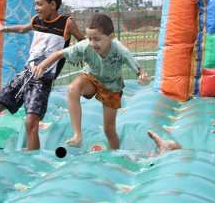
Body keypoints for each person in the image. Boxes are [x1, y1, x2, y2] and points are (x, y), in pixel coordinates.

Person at [32, 13, 150, 150]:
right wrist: (41, 66)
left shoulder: (120, 50)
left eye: (97, 39)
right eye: (90, 38)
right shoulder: (85, 46)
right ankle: (77, 135)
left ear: (111, 37)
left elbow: (139, 70)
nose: (93, 43)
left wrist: (143, 77)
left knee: (109, 130)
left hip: (111, 86)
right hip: (91, 78)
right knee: (73, 89)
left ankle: (115, 154)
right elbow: (59, 54)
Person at [0, 0, 85, 151]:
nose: (36, 8)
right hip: (26, 74)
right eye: (35, 4)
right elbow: (23, 28)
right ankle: (19, 107)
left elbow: (83, 41)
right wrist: (5, 28)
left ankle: (33, 159)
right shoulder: (37, 20)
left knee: (31, 123)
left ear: (53, 5)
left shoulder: (66, 23)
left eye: (40, 4)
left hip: (43, 80)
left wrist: (76, 54)